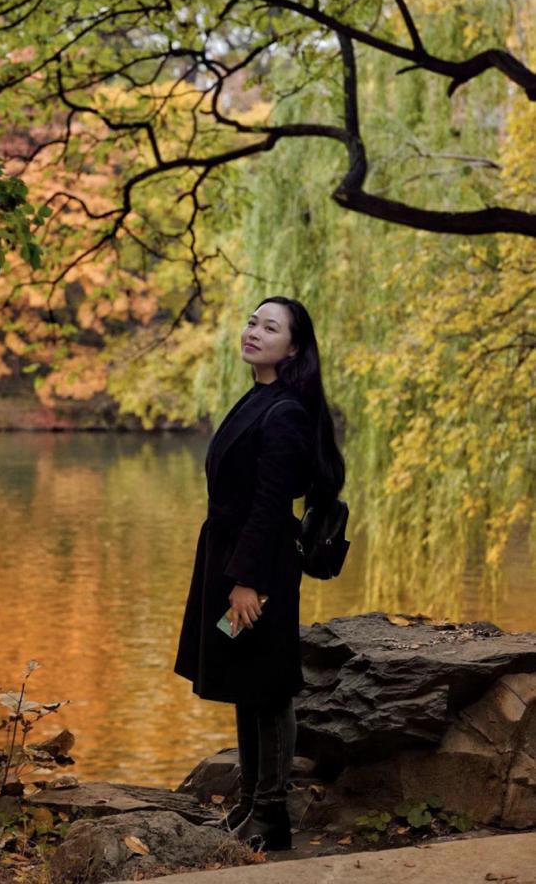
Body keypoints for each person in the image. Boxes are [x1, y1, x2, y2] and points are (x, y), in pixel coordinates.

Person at [174, 296, 345, 852]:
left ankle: (271, 815)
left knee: (268, 687)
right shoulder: (260, 396)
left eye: (269, 327)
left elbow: (271, 503)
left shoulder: (286, 410)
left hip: (259, 565)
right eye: (252, 322)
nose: (253, 332)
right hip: (232, 556)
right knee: (246, 680)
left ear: (293, 348)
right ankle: (249, 803)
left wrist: (247, 581)